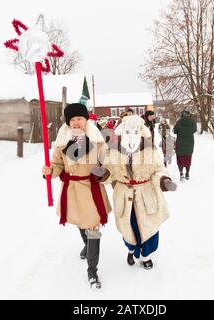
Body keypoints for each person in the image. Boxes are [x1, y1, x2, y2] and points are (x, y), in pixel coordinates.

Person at [92, 115, 177, 270]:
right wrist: (103, 174)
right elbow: (111, 173)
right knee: (129, 227)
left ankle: (146, 256)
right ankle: (131, 250)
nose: (131, 135)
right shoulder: (112, 151)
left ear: (141, 132)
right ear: (122, 132)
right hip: (124, 196)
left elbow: (159, 169)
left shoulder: (150, 149)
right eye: (128, 131)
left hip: (146, 195)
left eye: (135, 131)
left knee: (149, 227)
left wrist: (164, 181)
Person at [41, 103, 112, 289]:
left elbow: (109, 165)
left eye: (79, 118)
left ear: (86, 120)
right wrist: (50, 170)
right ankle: (87, 245)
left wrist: (104, 173)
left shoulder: (97, 141)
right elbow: (57, 165)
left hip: (91, 190)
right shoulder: (62, 142)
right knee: (81, 223)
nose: (76, 122)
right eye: (72, 119)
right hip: (71, 190)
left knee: (92, 227)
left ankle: (92, 271)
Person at [173, 110, 197, 181]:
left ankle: (181, 173)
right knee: (188, 159)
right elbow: (195, 130)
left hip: (180, 143)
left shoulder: (179, 121)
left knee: (179, 159)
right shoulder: (193, 122)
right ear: (188, 114)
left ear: (182, 115)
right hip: (189, 143)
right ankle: (187, 174)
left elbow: (175, 131)